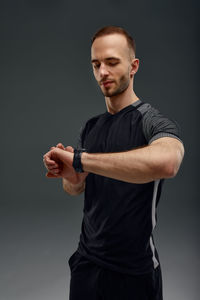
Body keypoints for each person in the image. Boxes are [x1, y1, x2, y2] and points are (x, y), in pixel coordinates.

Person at [43, 26, 185, 300]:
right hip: (86, 265)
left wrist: (81, 160)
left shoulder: (152, 121)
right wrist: (72, 176)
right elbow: (75, 190)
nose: (102, 72)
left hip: (134, 272)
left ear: (133, 66)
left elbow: (168, 162)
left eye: (111, 62)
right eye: (96, 64)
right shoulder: (91, 127)